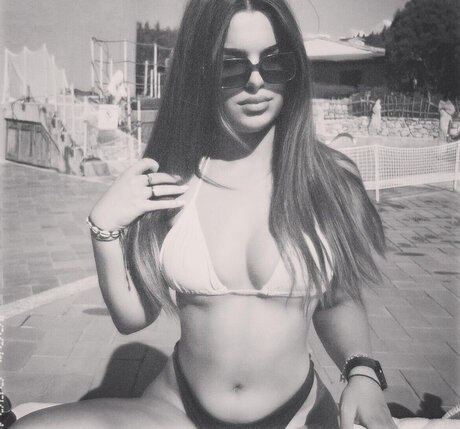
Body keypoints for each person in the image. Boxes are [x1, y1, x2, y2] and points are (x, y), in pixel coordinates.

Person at [12, 1, 398, 428]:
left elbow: (338, 298)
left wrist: (362, 372)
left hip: (297, 411)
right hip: (178, 409)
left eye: (274, 62)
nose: (256, 81)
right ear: (200, 70)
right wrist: (103, 229)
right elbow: (132, 317)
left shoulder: (329, 179)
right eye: (231, 65)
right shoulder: (173, 178)